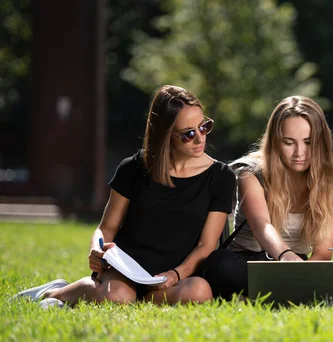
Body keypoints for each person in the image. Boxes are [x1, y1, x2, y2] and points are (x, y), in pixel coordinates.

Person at [12, 85, 236, 308]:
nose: (200, 139)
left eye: (203, 127)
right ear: (165, 135)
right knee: (118, 296)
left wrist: (175, 275)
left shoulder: (221, 176)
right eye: (188, 134)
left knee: (200, 292)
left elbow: (206, 245)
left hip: (175, 276)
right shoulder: (133, 168)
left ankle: (133, 299)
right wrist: (96, 249)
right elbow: (106, 228)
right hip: (126, 270)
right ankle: (54, 292)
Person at [201, 95, 333, 300]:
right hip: (246, 263)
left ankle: (278, 293)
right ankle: (287, 293)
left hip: (300, 264)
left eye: (308, 142)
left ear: (321, 143)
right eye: (289, 142)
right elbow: (262, 226)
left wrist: (301, 271)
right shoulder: (250, 174)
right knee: (221, 266)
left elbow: (323, 253)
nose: (300, 153)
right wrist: (285, 257)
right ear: (275, 142)